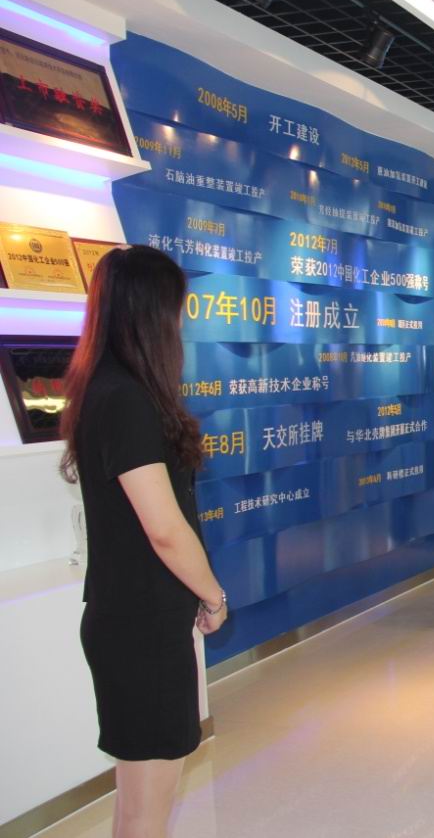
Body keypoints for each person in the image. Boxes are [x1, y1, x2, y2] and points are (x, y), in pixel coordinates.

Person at [58, 245, 228, 836]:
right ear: (153, 313)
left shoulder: (104, 389)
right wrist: (213, 595)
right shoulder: (126, 398)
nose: (181, 321)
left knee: (136, 806)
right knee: (146, 809)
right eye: (177, 307)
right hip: (142, 629)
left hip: (128, 620)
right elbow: (164, 529)